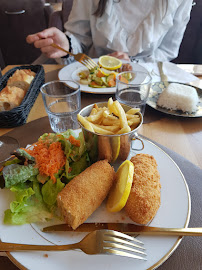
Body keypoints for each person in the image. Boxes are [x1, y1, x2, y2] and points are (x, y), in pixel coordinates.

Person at [26, 0, 193, 63]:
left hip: (144, 87)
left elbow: (167, 51)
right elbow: (79, 39)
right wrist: (66, 45)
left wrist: (132, 64)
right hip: (91, 81)